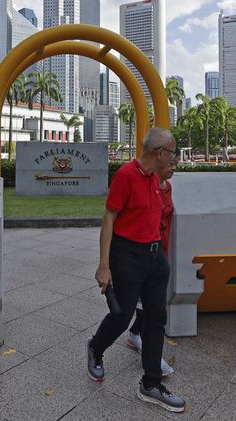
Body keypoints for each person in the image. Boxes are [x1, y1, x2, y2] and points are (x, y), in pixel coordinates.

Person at [87, 127, 186, 414]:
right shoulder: (127, 175)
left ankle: (151, 384)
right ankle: (95, 347)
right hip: (127, 255)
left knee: (156, 319)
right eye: (173, 153)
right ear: (160, 152)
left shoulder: (158, 178)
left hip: (155, 258)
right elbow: (109, 219)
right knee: (121, 315)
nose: (175, 159)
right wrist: (104, 265)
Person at [126, 149, 180, 377]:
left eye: (176, 164)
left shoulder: (168, 188)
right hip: (142, 253)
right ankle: (151, 361)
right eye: (171, 164)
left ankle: (135, 335)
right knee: (148, 309)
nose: (174, 168)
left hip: (162, 252)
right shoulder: (145, 185)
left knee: (152, 308)